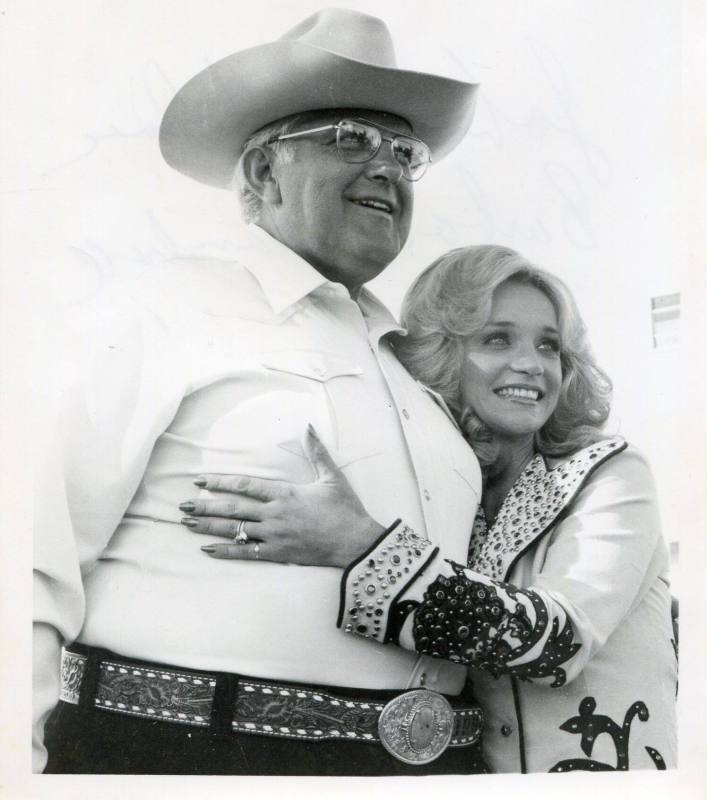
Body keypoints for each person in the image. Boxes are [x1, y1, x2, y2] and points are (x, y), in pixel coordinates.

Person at [33, 9, 490, 775]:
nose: (387, 168)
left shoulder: (417, 370)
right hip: (189, 758)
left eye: (405, 152)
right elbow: (28, 556)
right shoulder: (155, 309)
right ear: (261, 172)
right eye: (351, 137)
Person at [181, 245, 678, 773]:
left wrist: (356, 544)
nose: (532, 365)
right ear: (440, 353)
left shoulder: (611, 473)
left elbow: (558, 644)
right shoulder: (443, 490)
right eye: (497, 339)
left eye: (549, 346)